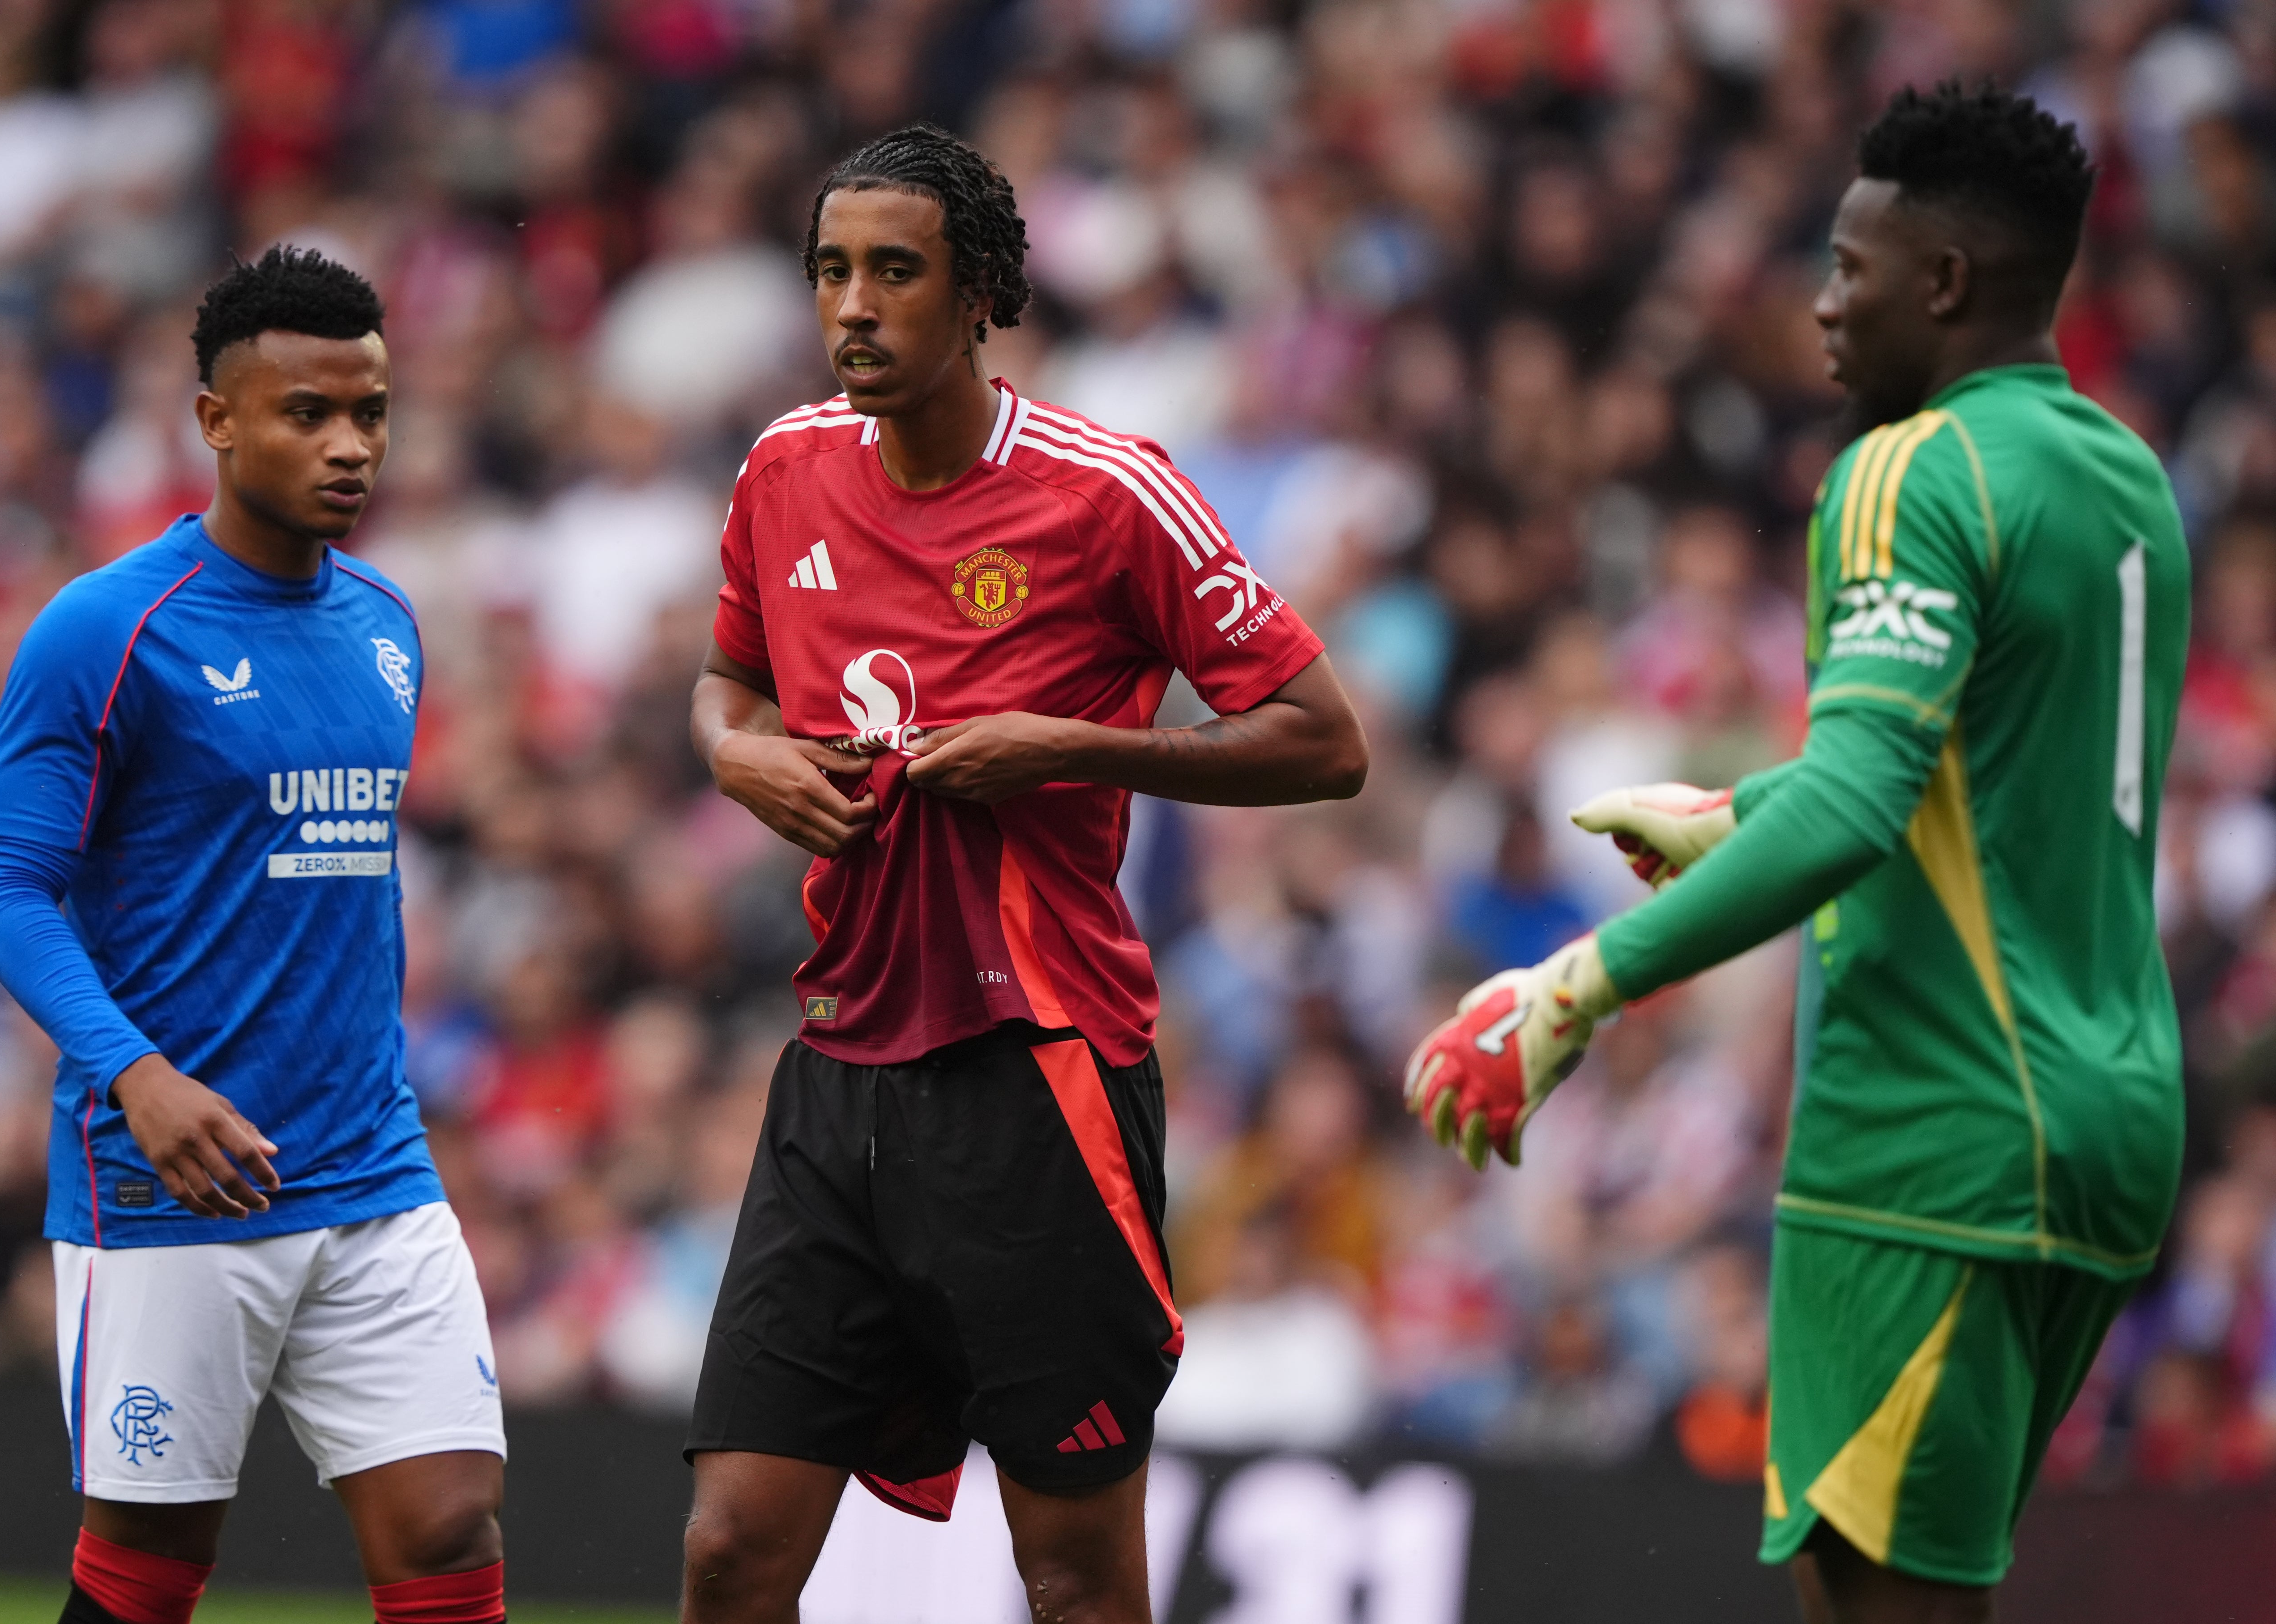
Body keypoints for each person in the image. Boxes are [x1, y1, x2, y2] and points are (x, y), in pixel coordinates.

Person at [1403, 85, 2186, 1624]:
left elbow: (1865, 804)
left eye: (1850, 266)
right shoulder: (2124, 475)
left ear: (1946, 281)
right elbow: (1985, 775)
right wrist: (1733, 815)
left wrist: (1571, 990)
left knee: (1881, 1606)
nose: (1821, 306)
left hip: (1934, 1123)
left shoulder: (1909, 471)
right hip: (2102, 1117)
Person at [681, 124, 1369, 1624]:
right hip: (839, 1074)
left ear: (983, 290)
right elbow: (723, 689)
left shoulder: (1108, 490)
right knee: (732, 1549)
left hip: (1039, 1076)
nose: (853, 306)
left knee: (1069, 1575)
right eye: (831, 272)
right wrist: (735, 757)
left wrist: (1070, 746)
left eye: (894, 272)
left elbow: (1327, 741)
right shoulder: (785, 469)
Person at [0, 247, 509, 1624]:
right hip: (171, 1181)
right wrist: (137, 1079)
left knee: (448, 1528)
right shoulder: (104, 629)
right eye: (307, 413)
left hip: (372, 1168)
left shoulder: (387, 624)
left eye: (371, 414)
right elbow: (5, 891)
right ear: (216, 420)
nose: (349, 446)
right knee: (152, 1568)